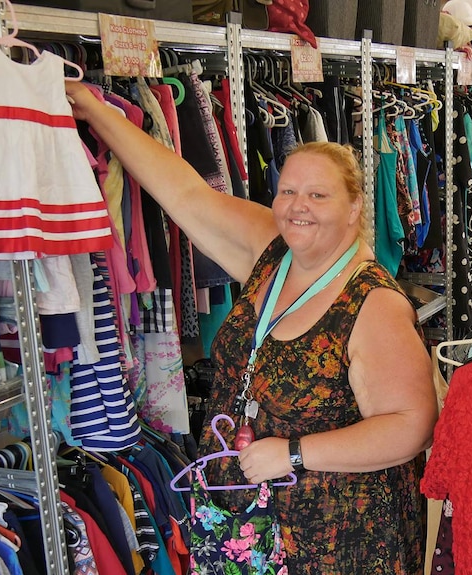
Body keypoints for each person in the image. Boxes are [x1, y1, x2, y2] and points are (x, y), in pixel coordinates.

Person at [65, 81, 438, 574]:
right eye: (288, 191)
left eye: (317, 194)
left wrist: (295, 455)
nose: (296, 205)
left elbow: (413, 426)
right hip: (246, 527)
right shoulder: (273, 249)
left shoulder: (373, 303)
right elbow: (184, 192)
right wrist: (94, 111)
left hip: (339, 542)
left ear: (353, 209)